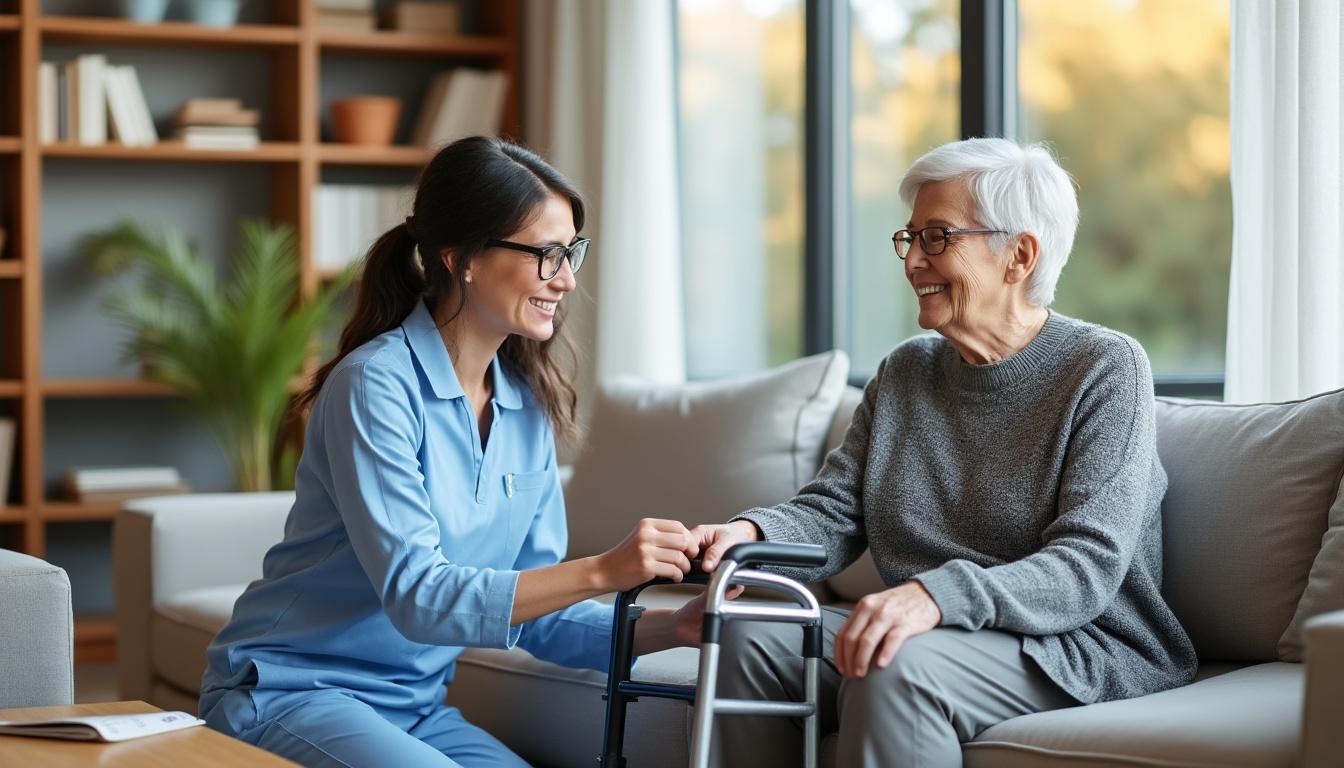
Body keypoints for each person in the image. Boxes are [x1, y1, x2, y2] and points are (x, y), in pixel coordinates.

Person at [199, 136, 707, 767]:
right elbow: (420, 596)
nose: (567, 279)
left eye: (571, 252)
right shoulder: (375, 385)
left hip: (413, 709)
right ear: (461, 258)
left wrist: (673, 626)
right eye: (547, 255)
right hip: (293, 691)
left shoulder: (526, 405)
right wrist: (606, 569)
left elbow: (534, 614)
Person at [692, 138, 1198, 766]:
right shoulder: (906, 371)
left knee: (892, 661)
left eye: (937, 237)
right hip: (938, 629)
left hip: (1076, 643)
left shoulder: (1104, 367)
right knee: (745, 639)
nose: (912, 261)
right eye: (910, 238)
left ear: (1019, 255)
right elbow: (834, 511)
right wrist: (747, 535)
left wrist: (934, 596)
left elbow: (1086, 565)